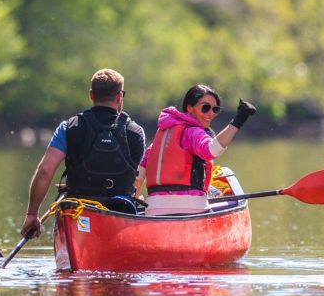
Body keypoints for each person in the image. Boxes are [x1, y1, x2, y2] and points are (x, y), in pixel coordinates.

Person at [19, 69, 146, 239]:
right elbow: (137, 178)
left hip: (77, 211)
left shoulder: (69, 127)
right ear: (119, 97)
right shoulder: (136, 132)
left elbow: (45, 171)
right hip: (121, 211)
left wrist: (32, 215)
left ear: (91, 95)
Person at [134, 84, 256, 216]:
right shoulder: (193, 133)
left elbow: (138, 175)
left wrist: (134, 202)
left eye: (215, 109)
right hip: (192, 208)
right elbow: (213, 150)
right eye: (205, 107)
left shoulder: (159, 140)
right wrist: (239, 119)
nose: (211, 113)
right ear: (189, 108)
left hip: (154, 210)